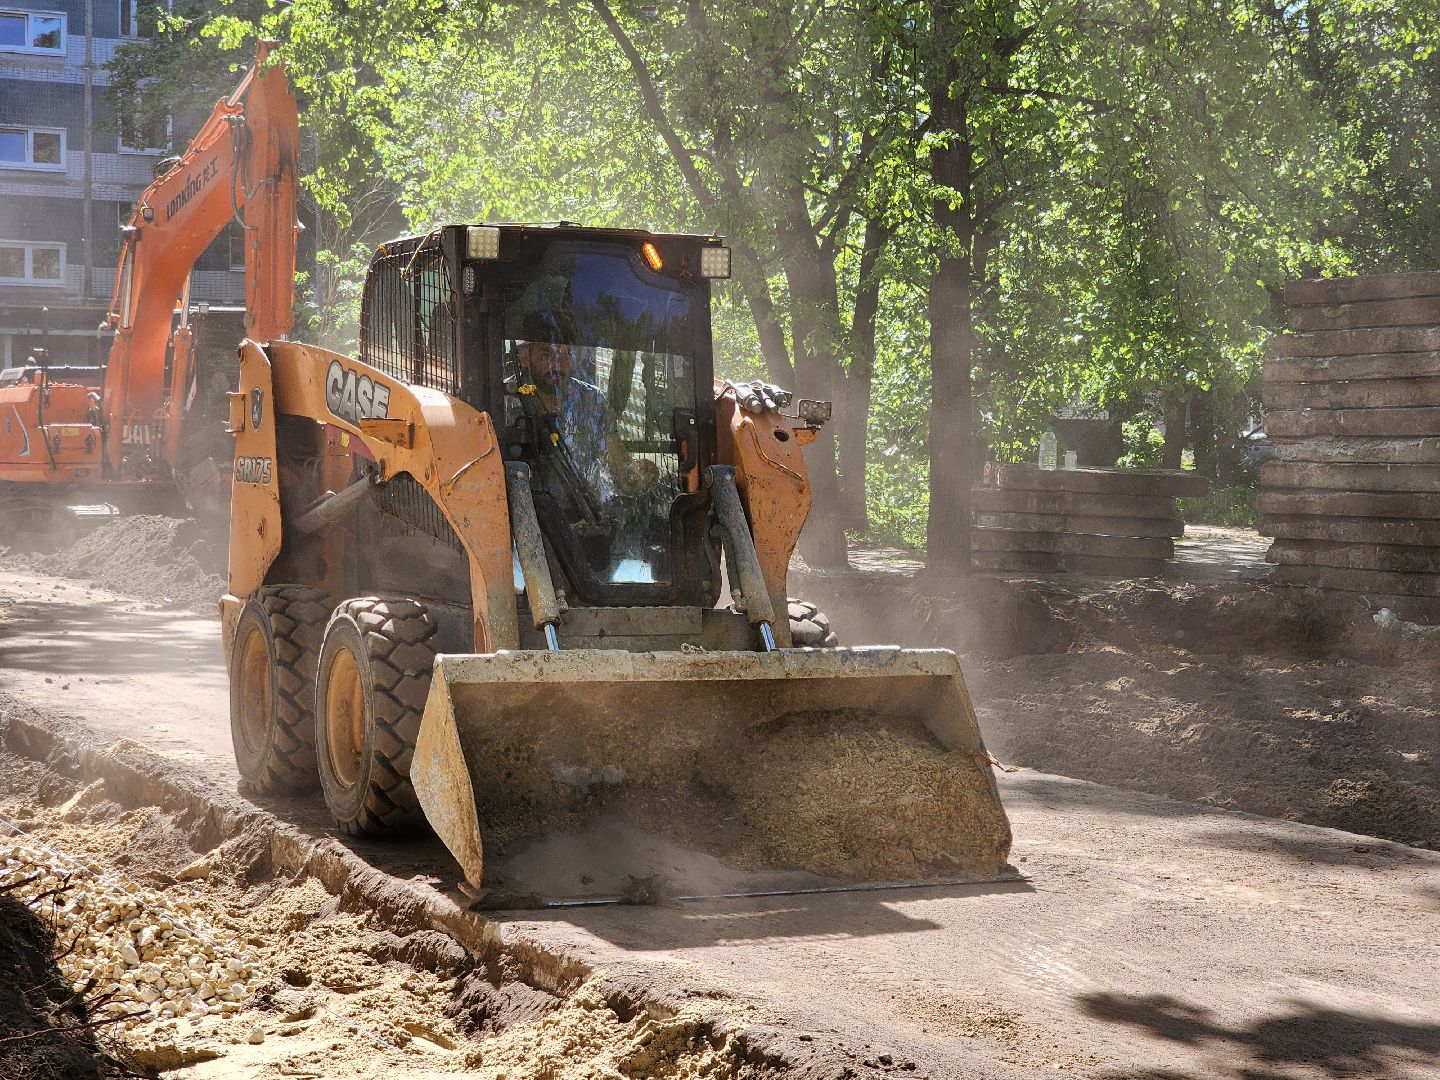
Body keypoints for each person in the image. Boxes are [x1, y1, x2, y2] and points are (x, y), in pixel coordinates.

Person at [513, 337, 659, 506]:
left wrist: (633, 475)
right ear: (524, 356)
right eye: (547, 354)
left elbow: (616, 463)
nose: (558, 365)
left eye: (565, 354)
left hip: (587, 514)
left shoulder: (591, 400)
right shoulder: (506, 400)